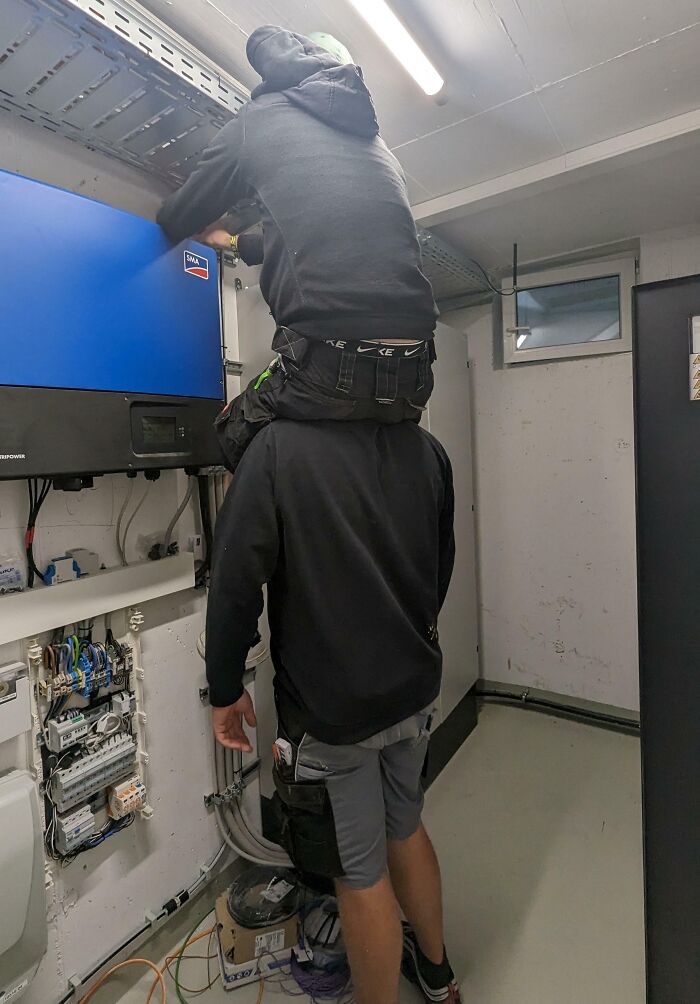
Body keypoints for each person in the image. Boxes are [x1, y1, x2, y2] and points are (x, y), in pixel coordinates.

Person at [205, 418, 461, 1004]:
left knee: (359, 872)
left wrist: (225, 685)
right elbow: (437, 572)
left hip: (333, 709)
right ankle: (439, 977)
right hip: (414, 689)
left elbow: (235, 583)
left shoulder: (276, 449)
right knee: (406, 825)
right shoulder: (428, 451)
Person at [157, 26, 439, 472]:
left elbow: (178, 217)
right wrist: (236, 240)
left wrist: (205, 221)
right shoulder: (379, 147)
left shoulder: (260, 117)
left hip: (331, 361)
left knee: (232, 435)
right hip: (417, 369)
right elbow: (334, 234)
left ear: (270, 69)